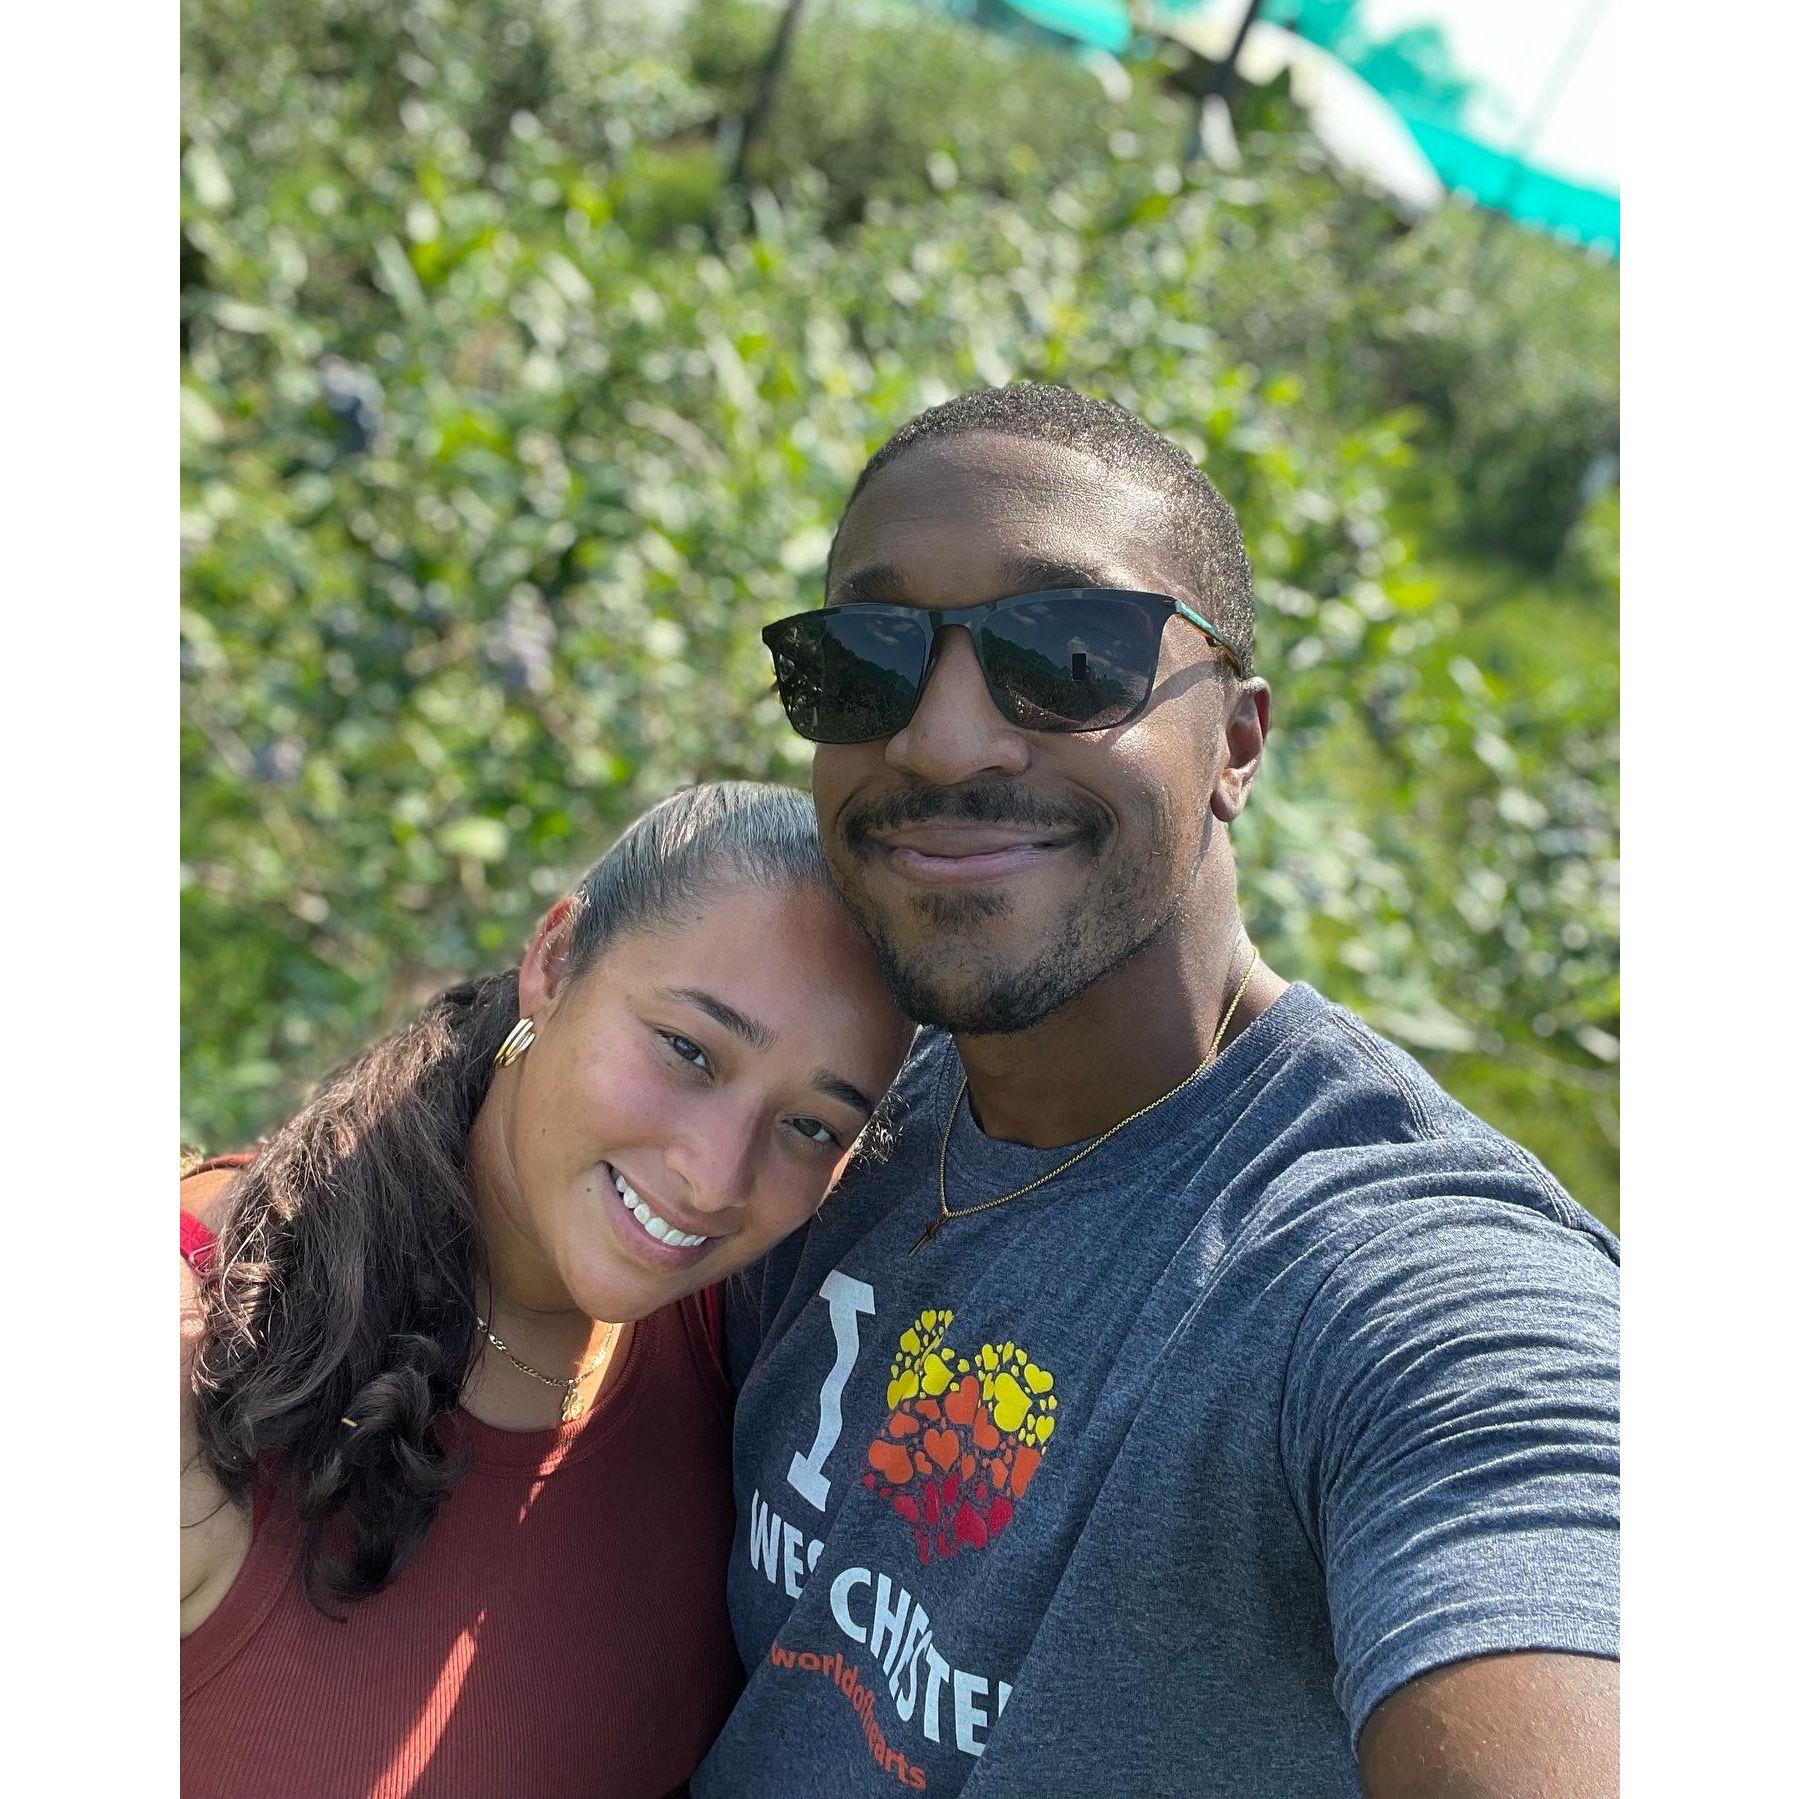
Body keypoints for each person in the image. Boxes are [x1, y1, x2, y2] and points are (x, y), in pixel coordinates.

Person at [693, 386, 1620, 1798]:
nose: (941, 741)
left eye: (1067, 656)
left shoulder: (1398, 1282)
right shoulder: (834, 1110)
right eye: (867, 661)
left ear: (1235, 743)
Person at [180, 781, 914, 1798]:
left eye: (809, 1126)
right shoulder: (194, 1354)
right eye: (688, 1050)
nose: (713, 1176)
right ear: (554, 960)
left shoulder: (735, 1347)